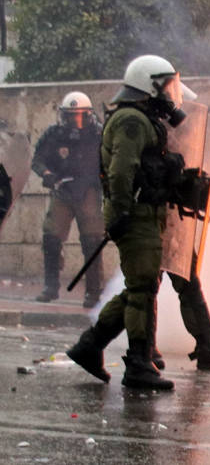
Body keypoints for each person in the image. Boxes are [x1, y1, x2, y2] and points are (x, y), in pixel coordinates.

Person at [66, 55, 192, 391]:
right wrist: (121, 213)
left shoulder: (142, 118)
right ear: (147, 84)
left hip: (143, 213)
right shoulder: (132, 121)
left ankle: (90, 346)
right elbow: (122, 170)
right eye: (164, 85)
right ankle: (138, 364)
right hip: (134, 214)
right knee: (141, 290)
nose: (169, 93)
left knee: (141, 288)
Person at [31, 92, 104, 308]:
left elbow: (110, 159)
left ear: (89, 115)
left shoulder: (98, 134)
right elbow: (38, 160)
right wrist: (47, 175)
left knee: (92, 242)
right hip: (62, 187)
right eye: (71, 116)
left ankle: (93, 293)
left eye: (80, 115)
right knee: (51, 237)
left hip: (89, 190)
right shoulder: (54, 134)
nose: (75, 121)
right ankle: (51, 287)